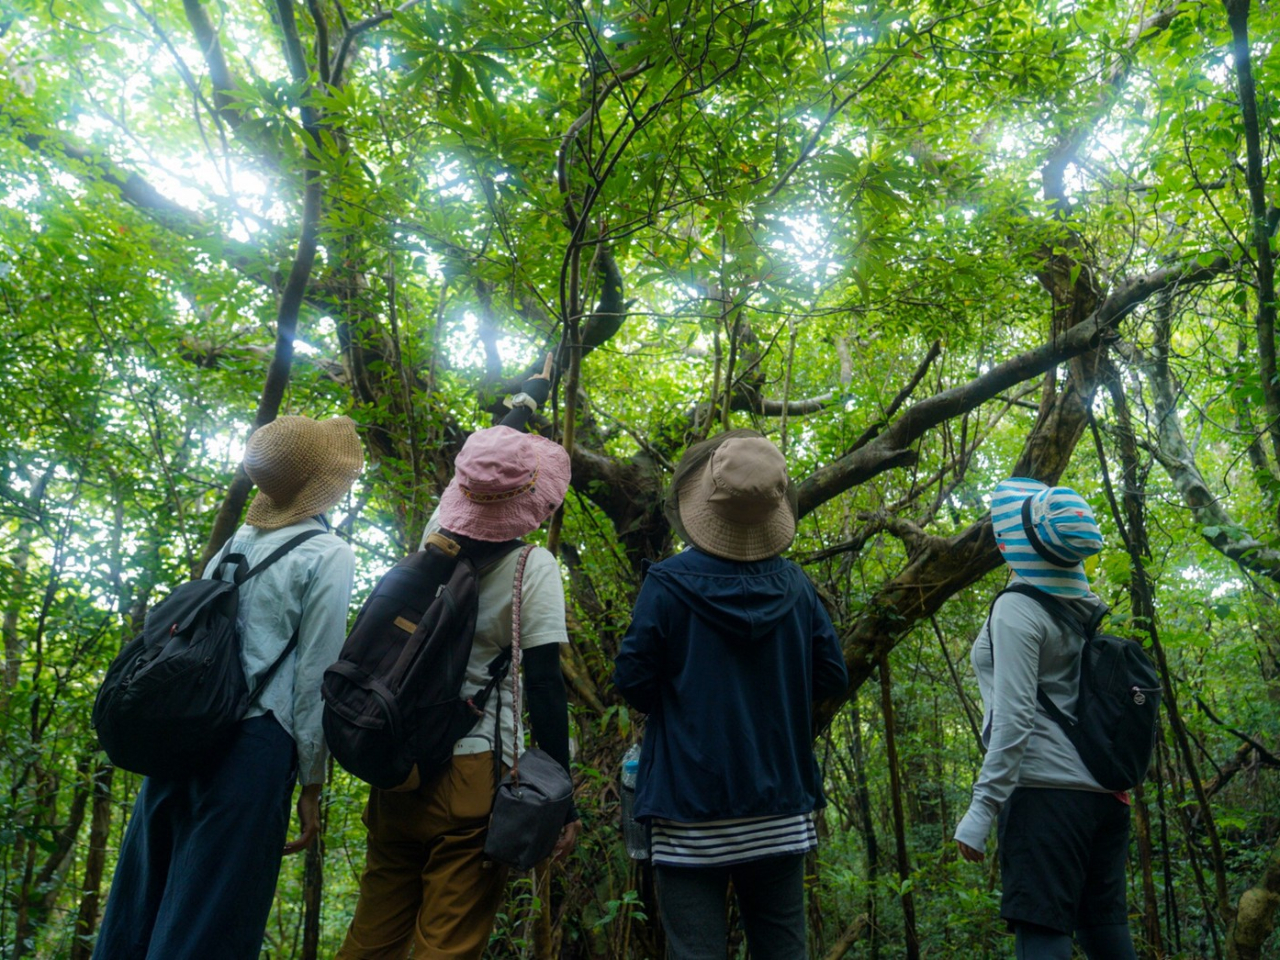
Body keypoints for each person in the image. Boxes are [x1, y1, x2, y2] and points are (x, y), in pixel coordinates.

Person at [93, 414, 363, 959]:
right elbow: (314, 676)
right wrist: (312, 781)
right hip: (253, 745)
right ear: (323, 485)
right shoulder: (328, 554)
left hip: (183, 733)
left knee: (138, 906)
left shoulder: (238, 542)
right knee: (212, 918)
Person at [336, 362, 581, 960]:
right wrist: (562, 794)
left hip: (397, 757)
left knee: (373, 935)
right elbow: (545, 684)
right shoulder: (532, 568)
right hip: (472, 771)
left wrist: (528, 398)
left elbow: (489, 466)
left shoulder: (435, 538)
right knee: (448, 944)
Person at [612, 429, 849, 960]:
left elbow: (632, 679)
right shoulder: (796, 586)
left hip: (687, 803)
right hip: (780, 806)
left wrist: (687, 702)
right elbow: (832, 675)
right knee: (783, 949)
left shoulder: (667, 583)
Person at [954, 477, 1138, 960]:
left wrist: (981, 810)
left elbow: (1014, 719)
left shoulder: (1017, 610)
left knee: (1043, 938)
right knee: (1105, 936)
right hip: (1104, 798)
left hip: (1045, 798)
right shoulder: (1079, 605)